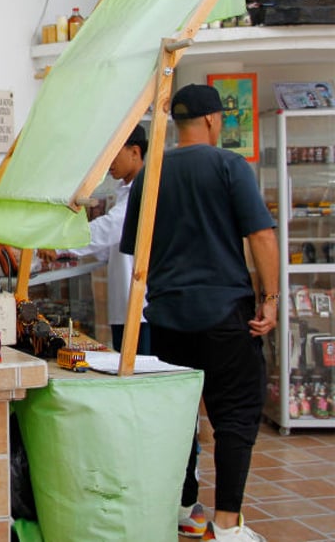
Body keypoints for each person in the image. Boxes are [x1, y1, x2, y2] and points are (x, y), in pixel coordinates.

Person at [119, 84, 279, 542]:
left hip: (167, 317)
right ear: (213, 121)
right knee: (235, 415)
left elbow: (134, 249)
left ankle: (184, 507)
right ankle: (227, 524)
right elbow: (262, 237)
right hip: (226, 314)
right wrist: (268, 300)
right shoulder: (229, 165)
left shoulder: (151, 174)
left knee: (179, 415)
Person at [38, 125, 150, 355]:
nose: (109, 163)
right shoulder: (122, 192)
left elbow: (109, 230)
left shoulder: (143, 191)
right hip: (123, 305)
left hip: (141, 308)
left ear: (135, 152)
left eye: (114, 154)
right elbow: (108, 248)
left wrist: (59, 244)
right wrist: (63, 254)